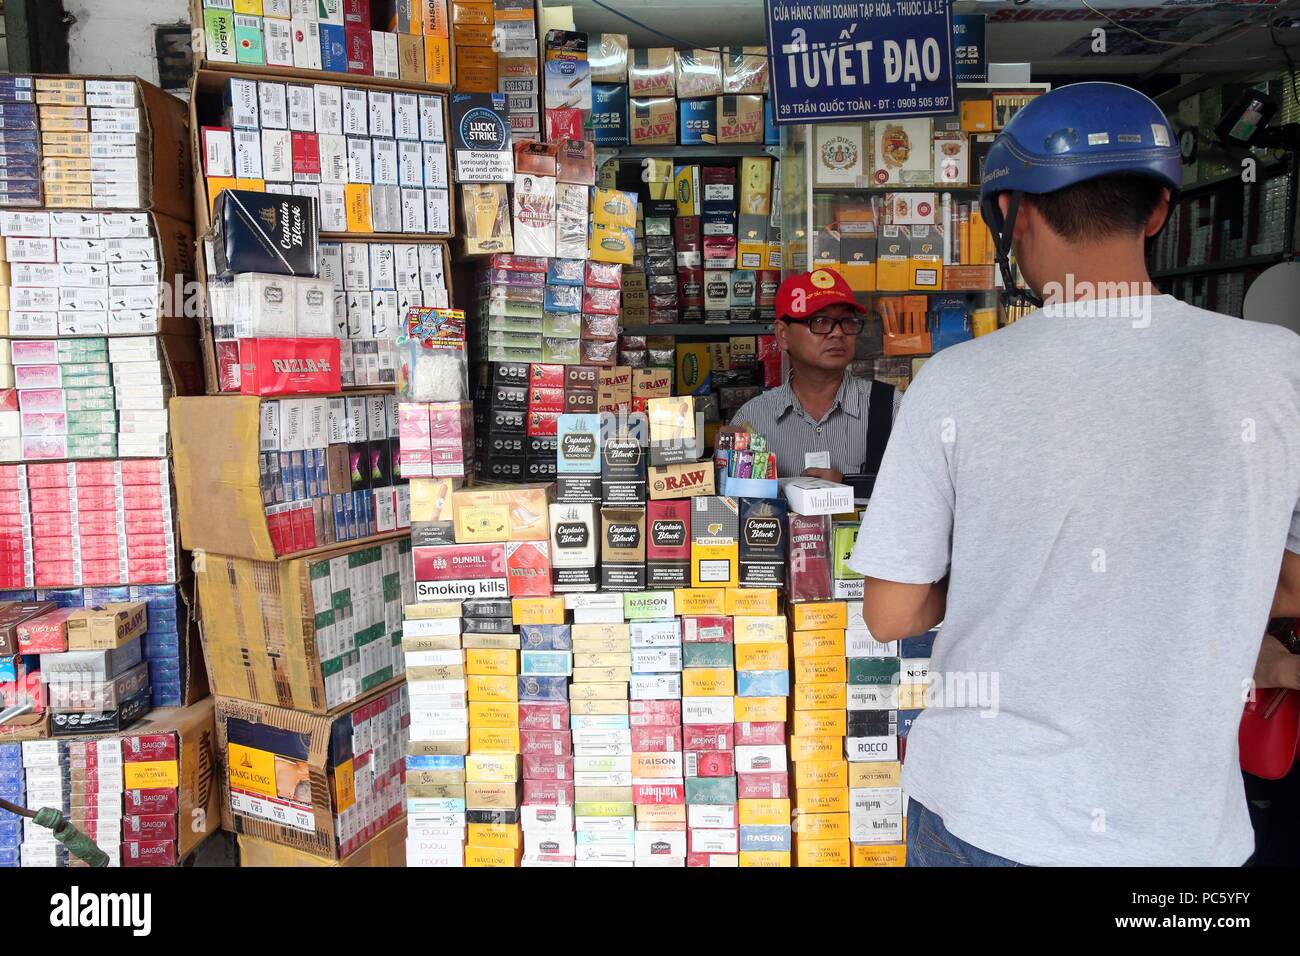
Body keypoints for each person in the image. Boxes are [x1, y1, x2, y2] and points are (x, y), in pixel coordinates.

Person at [847, 81, 1300, 867]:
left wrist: (1003, 568)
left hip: (986, 815)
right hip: (1184, 829)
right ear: (1159, 212)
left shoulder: (956, 383)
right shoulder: (1280, 369)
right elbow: (1289, 584)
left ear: (1012, 214)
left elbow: (891, 613)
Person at [731, 268, 901, 480]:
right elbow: (742, 506)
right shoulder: (754, 419)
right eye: (819, 321)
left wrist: (849, 487)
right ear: (783, 335)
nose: (838, 332)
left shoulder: (891, 408)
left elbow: (921, 492)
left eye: (847, 322)